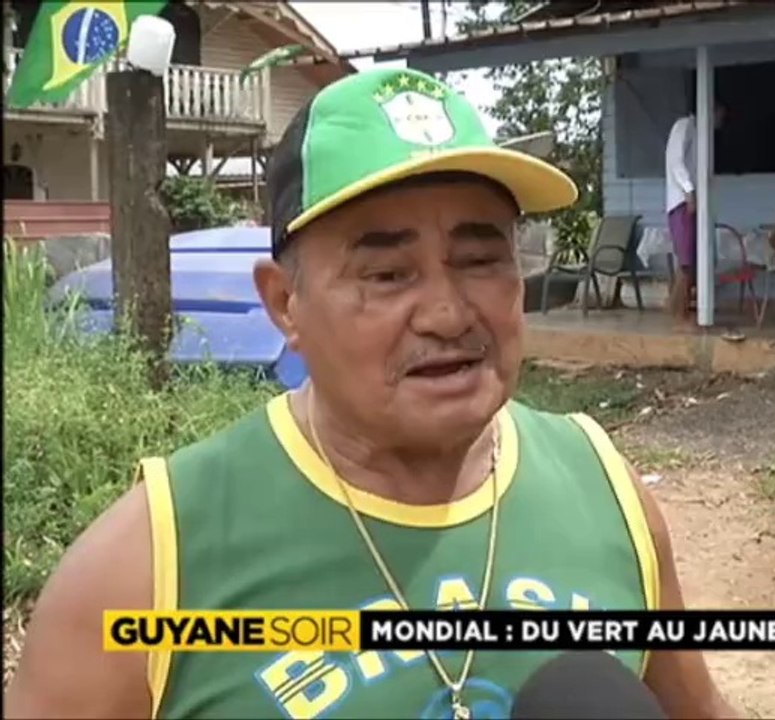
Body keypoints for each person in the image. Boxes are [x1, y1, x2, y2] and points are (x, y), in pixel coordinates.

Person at [7, 68, 736, 720]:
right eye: (387, 275)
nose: (447, 313)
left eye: (480, 258)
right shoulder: (147, 564)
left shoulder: (606, 491)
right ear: (285, 303)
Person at [665, 100, 726, 325]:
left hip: (695, 203)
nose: (721, 121)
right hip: (682, 202)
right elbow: (676, 161)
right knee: (686, 262)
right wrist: (689, 191)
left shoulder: (702, 136)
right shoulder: (685, 126)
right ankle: (678, 315)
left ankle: (681, 312)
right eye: (720, 115)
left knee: (695, 260)